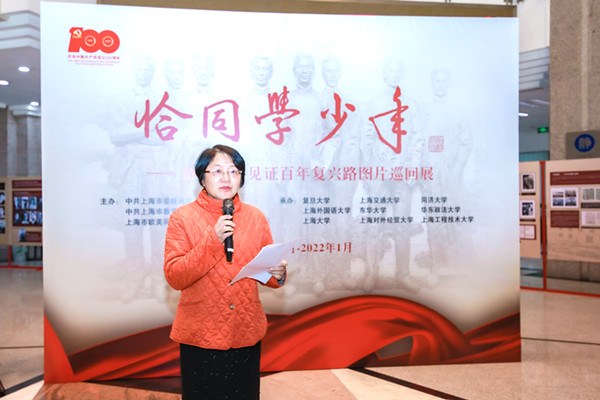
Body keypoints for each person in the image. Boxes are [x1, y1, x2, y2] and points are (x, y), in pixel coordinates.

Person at [163, 144, 287, 400]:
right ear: (202, 178)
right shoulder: (182, 218)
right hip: (201, 335)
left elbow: (266, 271)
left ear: (242, 177)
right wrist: (213, 240)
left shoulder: (256, 217)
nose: (226, 178)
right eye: (217, 171)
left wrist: (277, 274)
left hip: (245, 331)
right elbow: (175, 276)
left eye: (233, 171)